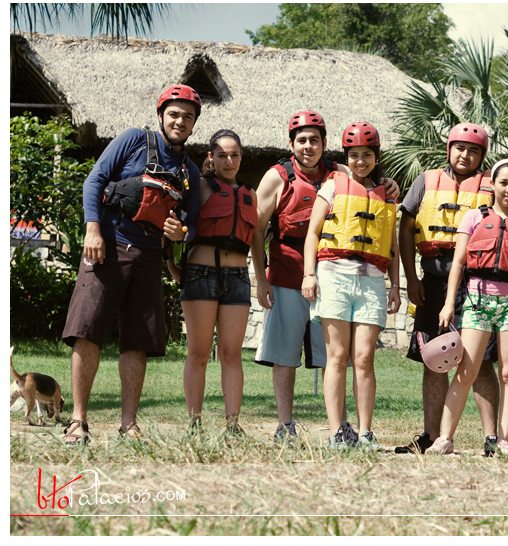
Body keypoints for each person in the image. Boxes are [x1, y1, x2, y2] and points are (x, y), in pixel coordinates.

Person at [61, 85, 203, 445]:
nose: (180, 121)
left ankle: (129, 425)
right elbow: (94, 181)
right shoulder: (132, 140)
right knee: (87, 331)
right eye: (174, 113)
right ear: (160, 116)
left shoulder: (190, 171)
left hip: (148, 257)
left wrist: (180, 231)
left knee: (136, 342)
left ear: (193, 124)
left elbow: (191, 223)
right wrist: (93, 230)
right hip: (105, 247)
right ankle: (78, 420)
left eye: (187, 116)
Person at [251, 111, 398, 444]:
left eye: (314, 140)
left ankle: (344, 427)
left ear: (324, 144)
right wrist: (261, 279)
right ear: (291, 144)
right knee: (284, 355)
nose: (308, 146)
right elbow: (257, 231)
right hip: (289, 273)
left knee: (337, 356)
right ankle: (285, 424)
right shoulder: (277, 177)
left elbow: (370, 181)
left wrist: (390, 184)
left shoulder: (340, 172)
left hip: (333, 277)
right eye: (301, 140)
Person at [396, 123, 502, 456]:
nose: (465, 155)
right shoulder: (425, 181)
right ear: (449, 149)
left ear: (482, 156)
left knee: (481, 362)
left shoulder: (491, 185)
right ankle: (431, 435)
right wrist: (411, 279)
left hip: (477, 285)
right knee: (434, 359)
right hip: (434, 281)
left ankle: (491, 439)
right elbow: (406, 225)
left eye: (473, 150)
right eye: (459, 148)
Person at [427, 159, 508, 457]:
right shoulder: (473, 218)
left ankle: (502, 441)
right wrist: (449, 303)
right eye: (504, 183)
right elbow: (460, 263)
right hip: (478, 301)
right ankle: (445, 438)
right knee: (465, 370)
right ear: (493, 184)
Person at [301, 122, 401, 451]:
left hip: (372, 279)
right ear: (346, 156)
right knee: (337, 355)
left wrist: (395, 286)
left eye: (367, 155)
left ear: (376, 157)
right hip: (333, 275)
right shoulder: (333, 185)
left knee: (364, 358)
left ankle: (366, 432)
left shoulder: (388, 192)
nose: (360, 161)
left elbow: (393, 245)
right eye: (354, 155)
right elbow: (313, 232)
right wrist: (309, 274)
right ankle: (336, 433)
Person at [166, 129, 256, 438]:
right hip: (201, 273)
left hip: (238, 277)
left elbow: (255, 238)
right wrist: (172, 266)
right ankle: (194, 425)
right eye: (222, 155)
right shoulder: (200, 186)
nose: (228, 161)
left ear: (241, 157)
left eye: (234, 155)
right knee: (199, 353)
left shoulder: (250, 193)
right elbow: (174, 224)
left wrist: (265, 277)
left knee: (232, 354)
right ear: (211, 158)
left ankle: (232, 426)